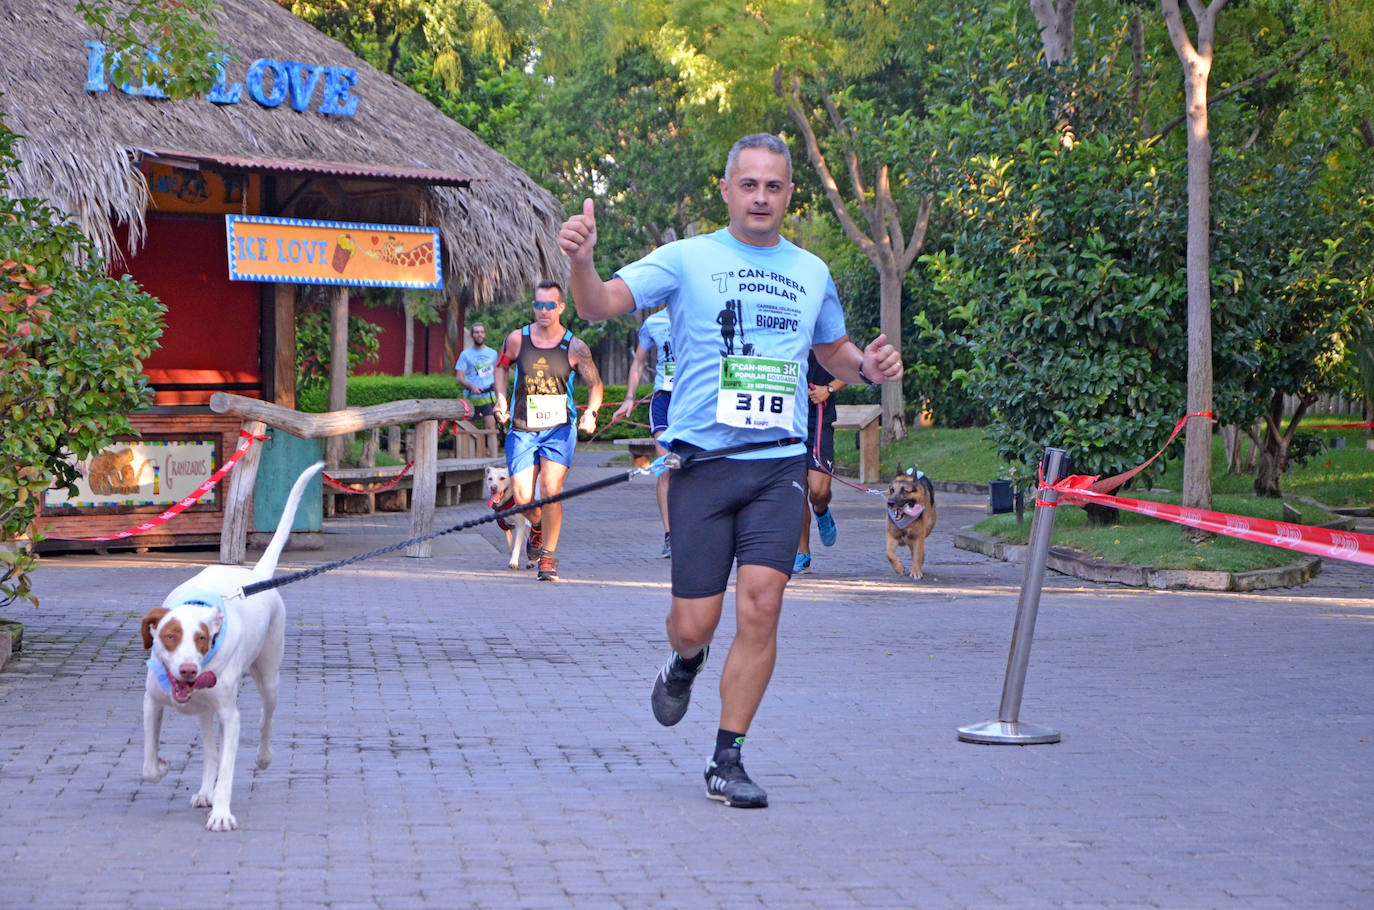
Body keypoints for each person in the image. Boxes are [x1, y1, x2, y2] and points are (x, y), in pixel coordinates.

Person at [558, 133, 902, 808]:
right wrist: (582, 261)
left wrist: (869, 367)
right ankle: (685, 663)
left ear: (789, 196)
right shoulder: (688, 259)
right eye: (749, 184)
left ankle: (727, 758)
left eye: (774, 186)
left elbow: (833, 351)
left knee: (763, 607)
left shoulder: (811, 272)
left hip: (778, 470)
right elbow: (598, 305)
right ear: (726, 190)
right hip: (702, 468)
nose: (761, 197)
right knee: (695, 625)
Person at [493, 281, 603, 581]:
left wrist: (591, 413)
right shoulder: (517, 339)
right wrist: (501, 398)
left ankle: (548, 558)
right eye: (538, 305)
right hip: (523, 428)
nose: (543, 311)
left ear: (561, 307)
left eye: (550, 305)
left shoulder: (575, 346)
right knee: (523, 497)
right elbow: (501, 366)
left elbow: (595, 385)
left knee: (551, 491)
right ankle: (537, 527)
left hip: (558, 428)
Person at [612, 308, 675, 558]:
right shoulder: (654, 322)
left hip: (693, 399)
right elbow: (639, 361)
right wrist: (629, 397)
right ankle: (670, 536)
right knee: (665, 467)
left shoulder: (698, 312)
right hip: (664, 398)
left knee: (694, 468)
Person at [793, 351, 844, 574]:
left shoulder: (829, 334)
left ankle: (821, 510)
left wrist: (829, 389)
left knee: (819, 491)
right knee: (796, 491)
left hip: (819, 419)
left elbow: (855, 369)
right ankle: (802, 554)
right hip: (787, 419)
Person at [454, 322, 499, 459]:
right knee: (470, 430)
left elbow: (497, 376)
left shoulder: (492, 354)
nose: (479, 334)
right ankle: (469, 459)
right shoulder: (465, 354)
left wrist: (500, 398)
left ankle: (494, 459)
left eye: (481, 332)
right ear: (472, 335)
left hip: (488, 396)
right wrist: (471, 386)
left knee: (491, 428)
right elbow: (459, 377)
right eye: (476, 332)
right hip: (472, 396)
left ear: (485, 334)